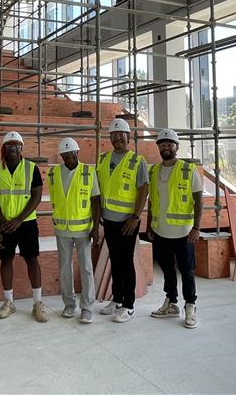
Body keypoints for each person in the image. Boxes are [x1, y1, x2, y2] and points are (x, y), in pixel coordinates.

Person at [0, 131, 48, 322]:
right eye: (10, 146)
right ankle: (9, 302)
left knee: (32, 260)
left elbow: (36, 196)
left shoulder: (31, 168)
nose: (14, 149)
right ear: (3, 149)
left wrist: (19, 219)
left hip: (26, 223)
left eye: (17, 146)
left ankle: (37, 303)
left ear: (21, 148)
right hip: (2, 224)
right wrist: (4, 220)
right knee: (6, 261)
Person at [146, 128, 203, 329]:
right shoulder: (154, 171)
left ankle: (190, 305)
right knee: (167, 269)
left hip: (184, 232)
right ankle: (171, 302)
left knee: (186, 270)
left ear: (176, 147)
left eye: (169, 144)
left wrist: (196, 227)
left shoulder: (188, 169)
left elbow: (198, 199)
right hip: (161, 230)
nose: (166, 147)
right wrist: (149, 225)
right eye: (162, 144)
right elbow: (152, 200)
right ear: (159, 148)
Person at [95, 118, 149, 323]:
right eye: (114, 135)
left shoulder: (137, 161)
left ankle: (129, 305)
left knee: (126, 263)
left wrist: (135, 218)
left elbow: (144, 189)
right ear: (110, 137)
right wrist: (100, 213)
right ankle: (117, 299)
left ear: (129, 137)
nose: (118, 138)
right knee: (116, 261)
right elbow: (99, 189)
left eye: (121, 135)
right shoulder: (102, 159)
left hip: (127, 222)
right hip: (109, 220)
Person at [47, 137, 101, 324]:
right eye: (65, 154)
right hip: (62, 229)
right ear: (61, 155)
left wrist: (95, 228)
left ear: (77, 152)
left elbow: (95, 200)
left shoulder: (88, 171)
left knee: (86, 268)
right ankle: (69, 304)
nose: (69, 156)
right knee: (64, 268)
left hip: (84, 229)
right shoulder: (53, 174)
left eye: (72, 153)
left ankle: (87, 307)